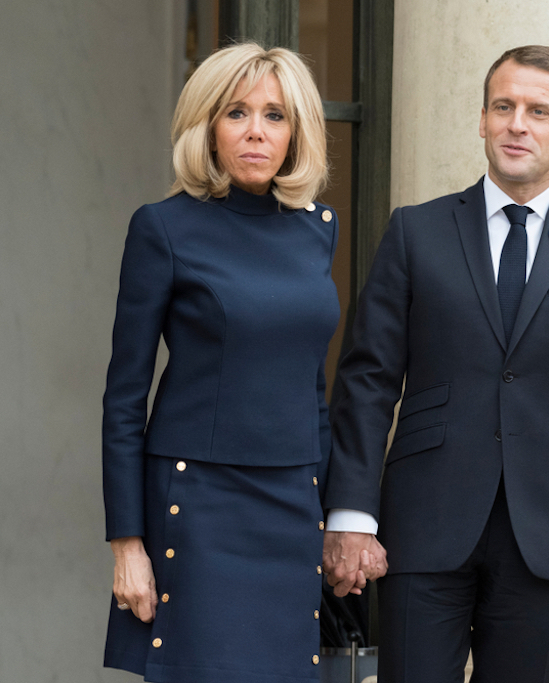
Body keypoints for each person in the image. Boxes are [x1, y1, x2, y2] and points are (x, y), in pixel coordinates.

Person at [321, 45, 549, 682]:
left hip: (547, 527)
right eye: (504, 106)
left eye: (539, 111)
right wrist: (351, 515)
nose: (517, 124)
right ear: (483, 118)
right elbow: (367, 380)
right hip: (425, 521)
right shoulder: (416, 231)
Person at [101, 43, 368, 683]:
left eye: (275, 116)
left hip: (292, 505)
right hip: (198, 504)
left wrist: (334, 514)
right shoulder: (162, 228)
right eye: (237, 113)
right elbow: (124, 398)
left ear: (296, 133)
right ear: (208, 127)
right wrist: (127, 544)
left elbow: (313, 389)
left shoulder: (318, 228)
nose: (256, 131)